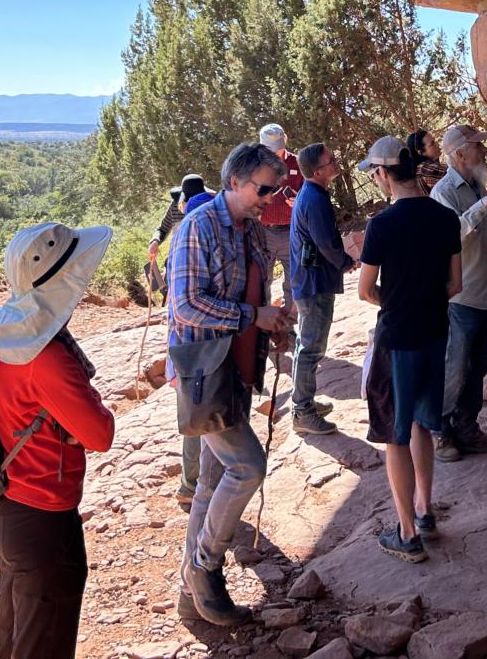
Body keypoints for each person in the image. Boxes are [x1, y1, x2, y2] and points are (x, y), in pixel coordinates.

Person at [0, 221, 117, 659]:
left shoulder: (3, 335)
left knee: (17, 639)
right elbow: (100, 433)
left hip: (8, 508)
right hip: (43, 517)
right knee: (45, 644)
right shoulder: (48, 358)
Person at [168, 143, 296, 626]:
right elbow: (184, 305)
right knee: (247, 467)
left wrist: (274, 322)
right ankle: (204, 566)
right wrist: (251, 316)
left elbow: (256, 295)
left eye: (277, 188)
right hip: (205, 373)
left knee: (212, 479)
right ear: (235, 182)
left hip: (238, 371)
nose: (271, 197)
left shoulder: (255, 232)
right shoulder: (197, 227)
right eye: (265, 189)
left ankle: (190, 591)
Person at [357, 136, 462, 563]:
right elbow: (455, 285)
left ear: (382, 173)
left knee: (394, 436)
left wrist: (397, 301)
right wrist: (425, 300)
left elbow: (366, 290)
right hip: (435, 332)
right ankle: (425, 510)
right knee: (422, 423)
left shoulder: (381, 225)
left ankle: (405, 533)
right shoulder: (445, 217)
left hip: (397, 337)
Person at [429, 126, 487, 463]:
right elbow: (452, 235)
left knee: (479, 365)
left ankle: (467, 428)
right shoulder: (443, 192)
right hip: (460, 297)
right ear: (459, 154)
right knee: (455, 367)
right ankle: (440, 432)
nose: (484, 151)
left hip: (484, 291)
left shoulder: (477, 184)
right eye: (478, 146)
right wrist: (483, 205)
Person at [288, 142, 355, 436]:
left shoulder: (312, 194)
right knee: (311, 347)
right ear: (318, 171)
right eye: (331, 160)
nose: (336, 162)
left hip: (309, 280)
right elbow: (326, 241)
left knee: (309, 345)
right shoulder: (315, 199)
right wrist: (345, 262)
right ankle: (302, 411)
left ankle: (305, 404)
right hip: (313, 283)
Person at [165, 174, 214, 508]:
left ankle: (191, 483)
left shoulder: (184, 235)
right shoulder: (211, 231)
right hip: (210, 346)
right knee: (208, 417)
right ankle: (198, 484)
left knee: (193, 417)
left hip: (186, 347)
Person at [257, 123, 304, 305]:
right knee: (262, 281)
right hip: (263, 232)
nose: (276, 154)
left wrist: (299, 200)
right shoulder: (254, 167)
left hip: (291, 231)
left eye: (279, 149)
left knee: (294, 281)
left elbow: (310, 193)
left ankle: (289, 329)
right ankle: (264, 328)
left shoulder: (298, 163)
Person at [406, 129, 446, 194]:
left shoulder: (418, 169)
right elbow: (457, 176)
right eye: (432, 144)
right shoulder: (426, 169)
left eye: (435, 141)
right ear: (421, 152)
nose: (437, 144)